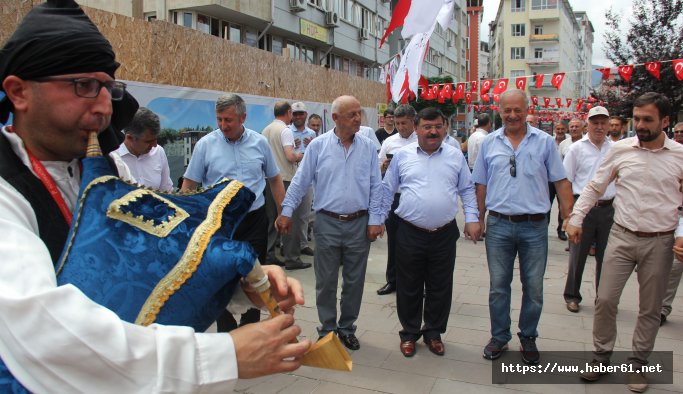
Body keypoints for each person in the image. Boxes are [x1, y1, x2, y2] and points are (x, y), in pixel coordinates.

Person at [0, 1, 309, 392]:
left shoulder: (107, 174)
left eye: (106, 88)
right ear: (19, 92)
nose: (102, 107)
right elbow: (46, 332)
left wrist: (239, 285)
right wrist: (220, 356)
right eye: (83, 86)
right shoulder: (6, 190)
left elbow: (151, 266)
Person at [567, 93, 683, 392]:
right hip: (621, 235)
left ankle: (638, 363)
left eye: (648, 120)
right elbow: (595, 187)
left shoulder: (679, 156)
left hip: (660, 241)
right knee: (605, 299)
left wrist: (681, 234)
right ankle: (601, 356)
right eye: (638, 118)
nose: (640, 125)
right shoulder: (620, 150)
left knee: (650, 308)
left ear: (665, 121)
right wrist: (576, 218)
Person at [472, 89, 573, 365]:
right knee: (498, 286)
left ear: (527, 110)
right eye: (508, 111)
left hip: (535, 227)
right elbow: (480, 184)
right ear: (499, 110)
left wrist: (570, 218)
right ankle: (499, 336)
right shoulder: (489, 143)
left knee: (534, 287)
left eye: (518, 110)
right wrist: (477, 219)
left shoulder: (545, 142)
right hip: (499, 226)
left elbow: (561, 182)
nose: (513, 115)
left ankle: (528, 335)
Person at [276, 95, 384, 351]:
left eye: (359, 113)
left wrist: (377, 219)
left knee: (354, 281)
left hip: (359, 223)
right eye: (352, 115)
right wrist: (286, 211)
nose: (358, 118)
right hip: (327, 223)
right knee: (325, 281)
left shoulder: (368, 147)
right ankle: (327, 329)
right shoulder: (318, 146)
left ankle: (347, 328)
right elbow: (301, 182)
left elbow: (376, 186)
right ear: (335, 118)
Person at [181, 93, 288, 331]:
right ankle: (226, 331)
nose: (223, 125)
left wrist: (283, 213)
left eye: (228, 120)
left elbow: (275, 179)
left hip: (254, 221)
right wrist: (186, 223)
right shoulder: (205, 145)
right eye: (219, 119)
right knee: (222, 278)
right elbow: (189, 184)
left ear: (243, 118)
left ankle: (251, 328)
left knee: (256, 275)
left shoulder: (260, 143)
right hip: (221, 224)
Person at [380, 107, 481, 357]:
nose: (433, 131)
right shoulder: (402, 156)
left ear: (444, 128)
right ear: (417, 129)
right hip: (409, 231)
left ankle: (434, 333)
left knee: (440, 286)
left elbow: (467, 190)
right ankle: (410, 333)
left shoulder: (455, 156)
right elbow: (386, 190)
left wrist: (473, 218)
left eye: (437, 126)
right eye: (427, 126)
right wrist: (376, 220)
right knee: (408, 285)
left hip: (444, 233)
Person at [562, 107, 615, 313]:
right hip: (582, 208)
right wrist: (568, 214)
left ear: (609, 125)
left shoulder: (616, 148)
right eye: (595, 123)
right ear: (588, 124)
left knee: (607, 257)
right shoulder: (577, 149)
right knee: (577, 254)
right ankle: (572, 295)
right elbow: (566, 180)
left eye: (603, 123)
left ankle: (603, 298)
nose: (599, 127)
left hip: (608, 209)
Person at [261, 101, 310, 271]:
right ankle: (292, 258)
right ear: (289, 112)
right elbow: (290, 156)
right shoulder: (285, 130)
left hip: (268, 180)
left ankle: (268, 255)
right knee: (290, 219)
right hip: (285, 179)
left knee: (271, 218)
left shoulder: (266, 130)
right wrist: (303, 155)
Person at [375, 104, 418, 296]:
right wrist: (383, 167)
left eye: (405, 123)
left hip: (415, 196)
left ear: (413, 122)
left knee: (415, 242)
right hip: (394, 196)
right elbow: (377, 168)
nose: (401, 127)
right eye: (398, 123)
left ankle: (416, 283)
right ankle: (392, 280)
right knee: (393, 240)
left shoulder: (422, 140)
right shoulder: (389, 142)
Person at [112, 107, 173, 191]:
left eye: (156, 139)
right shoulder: (112, 157)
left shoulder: (159, 152)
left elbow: (167, 191)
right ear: (129, 138)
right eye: (149, 141)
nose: (155, 145)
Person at [659, 121, 683, 325]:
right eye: (678, 132)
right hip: (673, 215)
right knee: (675, 265)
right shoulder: (673, 154)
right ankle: (662, 308)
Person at [288, 102, 316, 258]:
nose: (298, 116)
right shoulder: (286, 132)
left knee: (304, 214)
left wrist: (312, 146)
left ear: (306, 115)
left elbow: (317, 155)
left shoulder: (311, 133)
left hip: (307, 179)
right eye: (295, 114)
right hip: (291, 178)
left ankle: (303, 244)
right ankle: (286, 244)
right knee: (289, 212)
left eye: (301, 114)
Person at [549, 120, 569, 241]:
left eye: (562, 129)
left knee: (562, 205)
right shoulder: (549, 141)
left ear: (565, 130)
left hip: (563, 178)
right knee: (547, 204)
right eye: (558, 129)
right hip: (549, 179)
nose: (560, 131)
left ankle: (561, 230)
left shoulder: (569, 143)